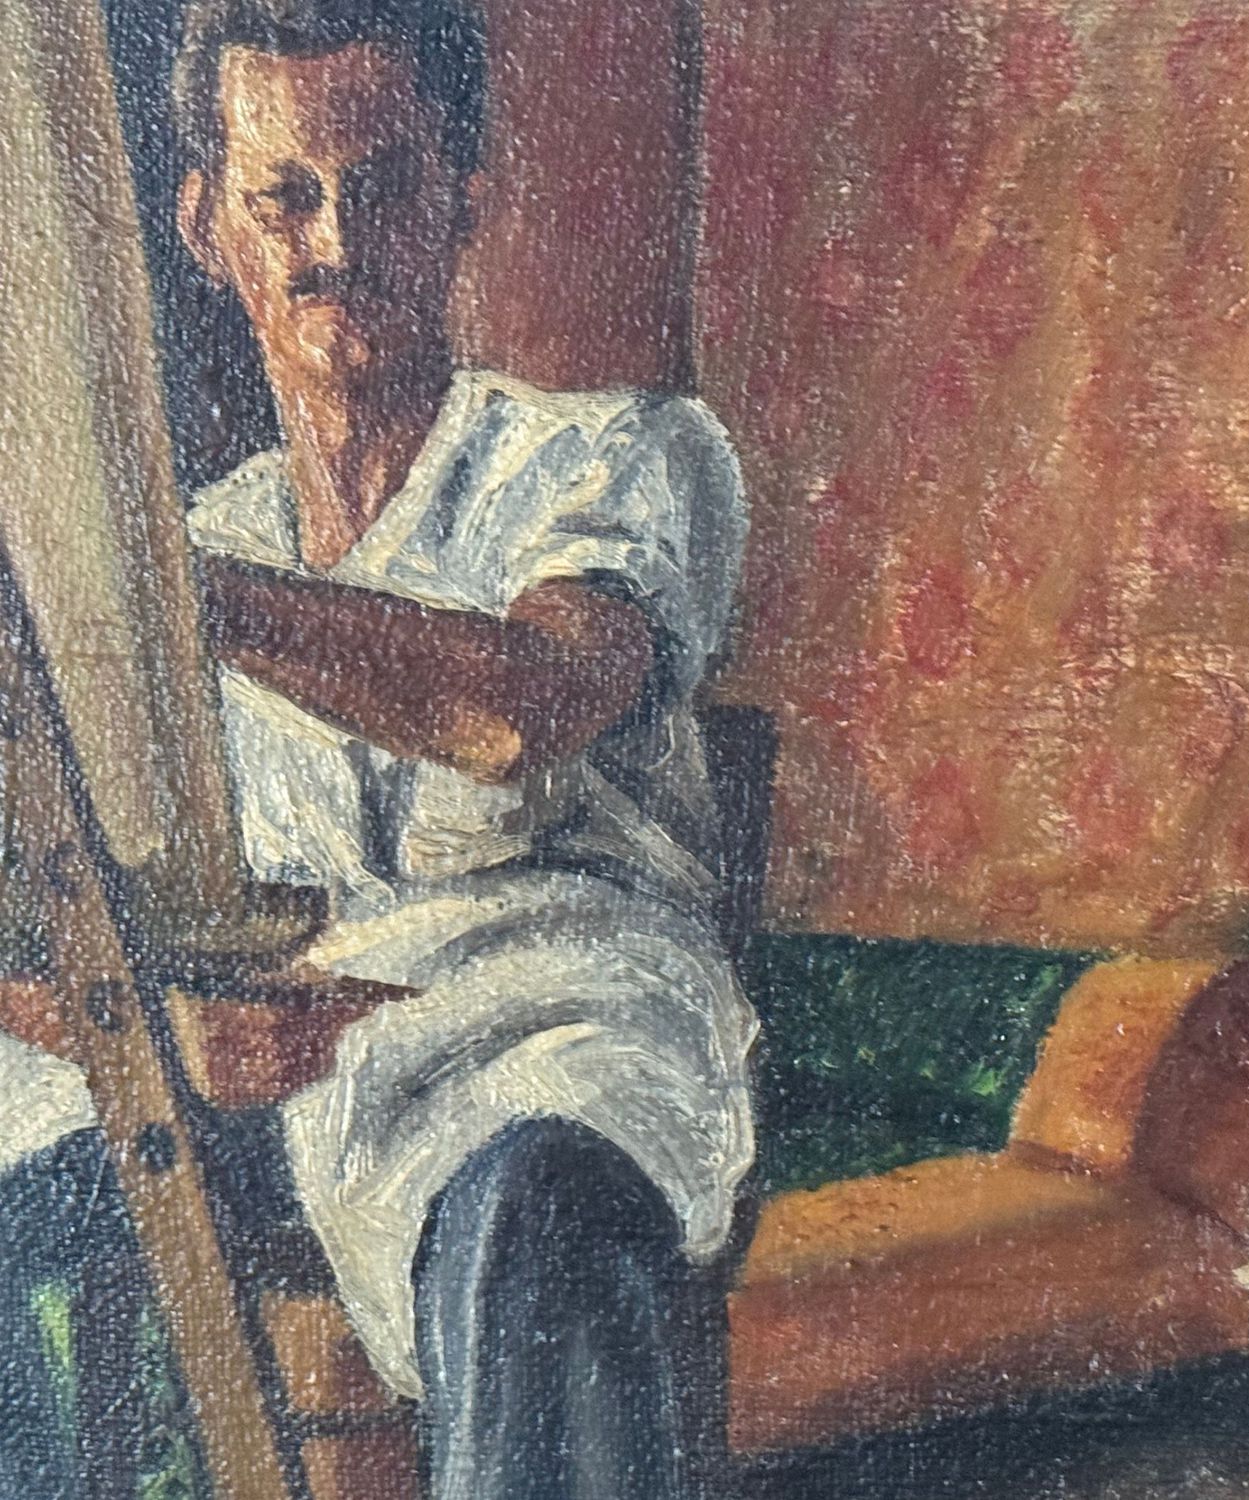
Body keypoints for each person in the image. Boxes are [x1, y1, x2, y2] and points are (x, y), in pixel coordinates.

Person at [0, 1, 757, 1495]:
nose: (336, 242)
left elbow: (522, 705)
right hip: (286, 1067)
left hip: (555, 1030)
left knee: (532, 1209)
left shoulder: (615, 456)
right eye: (286, 196)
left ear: (464, 200)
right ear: (208, 228)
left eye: (386, 186)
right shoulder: (211, 535)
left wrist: (165, 598)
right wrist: (146, 1031)